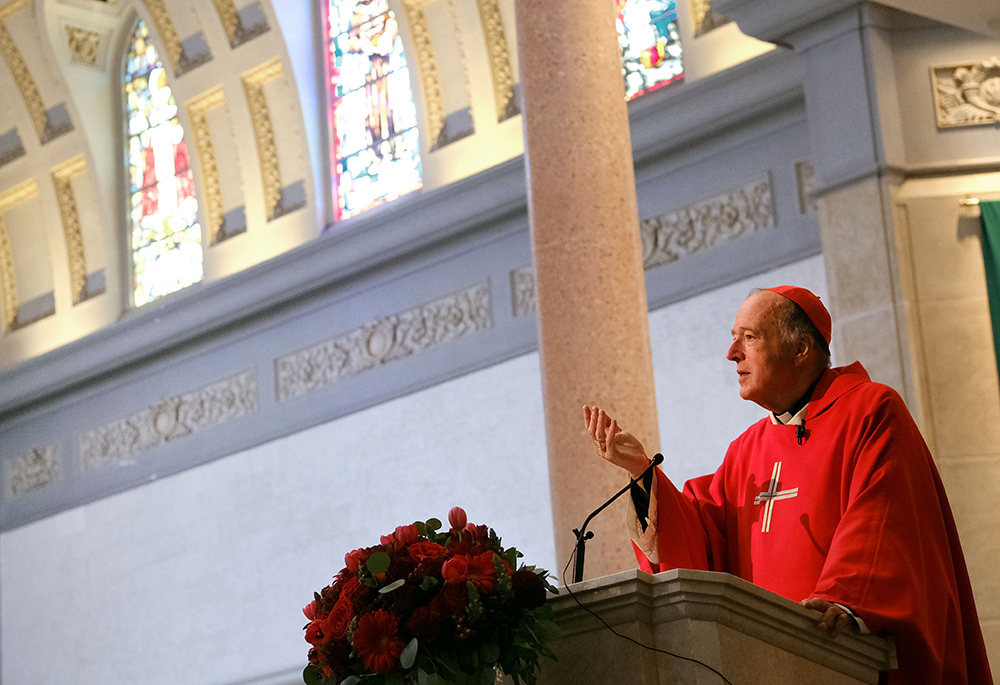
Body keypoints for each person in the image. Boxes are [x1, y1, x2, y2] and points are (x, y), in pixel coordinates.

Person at [584, 286, 993, 685]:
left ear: (801, 348)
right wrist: (641, 472)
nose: (732, 353)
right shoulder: (745, 451)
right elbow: (700, 537)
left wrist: (845, 596)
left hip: (845, 655)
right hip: (764, 664)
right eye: (733, 339)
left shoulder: (871, 410)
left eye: (749, 337)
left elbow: (886, 517)